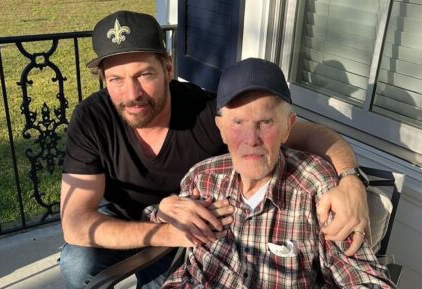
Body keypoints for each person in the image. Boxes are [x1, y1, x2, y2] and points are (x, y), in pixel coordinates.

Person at [59, 10, 371, 289]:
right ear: (102, 78)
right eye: (115, 79)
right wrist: (166, 231)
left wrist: (351, 180)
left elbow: (313, 135)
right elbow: (75, 224)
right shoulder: (92, 118)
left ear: (168, 67)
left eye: (144, 74)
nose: (132, 94)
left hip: (191, 223)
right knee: (77, 264)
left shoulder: (210, 114)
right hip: (147, 220)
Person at [158, 58, 395, 288]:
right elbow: (159, 216)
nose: (251, 139)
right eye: (238, 122)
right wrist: (163, 209)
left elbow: (362, 276)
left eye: (266, 122)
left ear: (288, 127)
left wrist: (351, 179)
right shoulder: (203, 177)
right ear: (221, 129)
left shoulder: (316, 186)